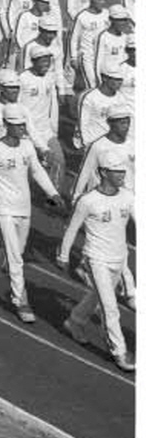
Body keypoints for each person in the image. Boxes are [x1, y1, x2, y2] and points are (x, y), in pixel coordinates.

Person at [0, 107, 61, 324]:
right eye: (18, 125)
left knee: (15, 252)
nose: (23, 128)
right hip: (3, 208)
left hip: (23, 207)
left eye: (24, 124)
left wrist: (53, 193)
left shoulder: (28, 146)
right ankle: (21, 300)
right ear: (7, 125)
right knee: (15, 258)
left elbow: (37, 171)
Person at [59, 156, 136, 369]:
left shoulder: (128, 197)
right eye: (117, 172)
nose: (122, 176)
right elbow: (72, 228)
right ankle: (119, 351)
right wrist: (63, 256)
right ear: (103, 172)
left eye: (123, 172)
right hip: (96, 259)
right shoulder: (88, 201)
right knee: (110, 308)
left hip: (119, 260)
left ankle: (74, 321)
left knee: (97, 298)